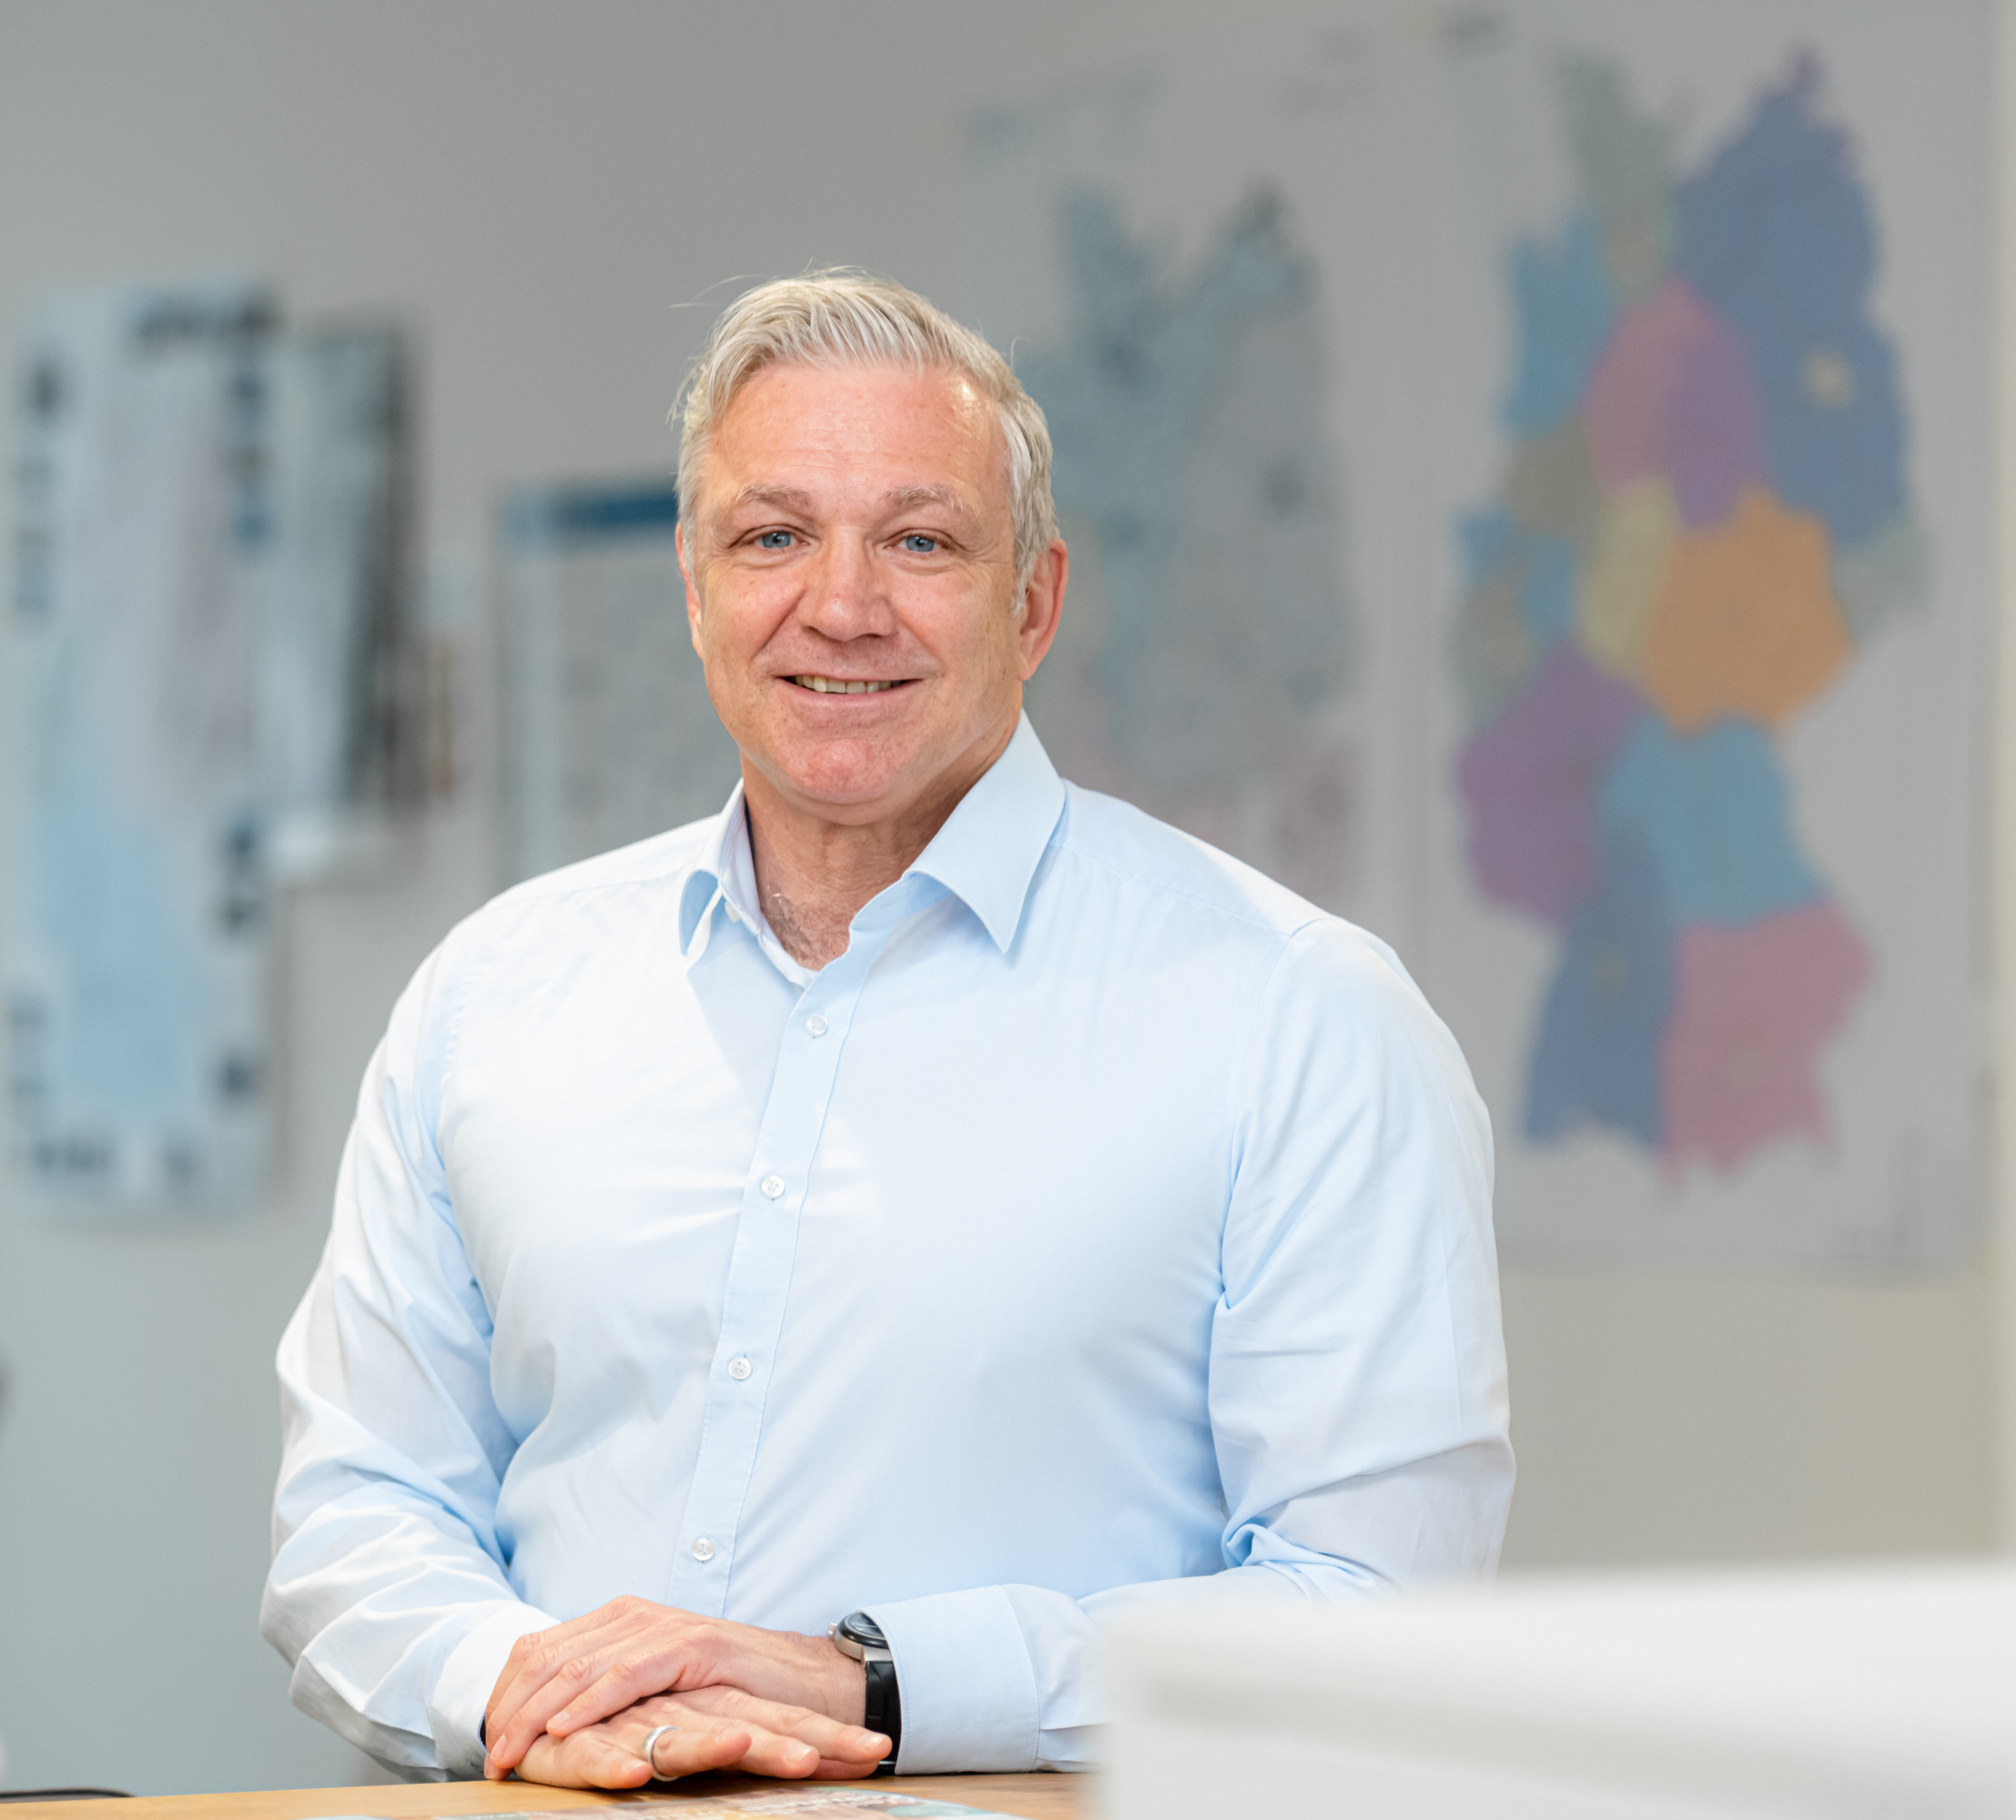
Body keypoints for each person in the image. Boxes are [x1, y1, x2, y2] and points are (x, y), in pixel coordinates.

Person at [262, 271, 1512, 1786]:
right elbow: (357, 1505)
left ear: (1033, 602)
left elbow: (1376, 1603)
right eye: (772, 537)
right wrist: (531, 1686)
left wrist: (879, 1683)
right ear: (695, 587)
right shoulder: (493, 995)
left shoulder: (1300, 1015)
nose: (843, 607)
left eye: (920, 542)